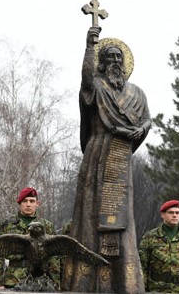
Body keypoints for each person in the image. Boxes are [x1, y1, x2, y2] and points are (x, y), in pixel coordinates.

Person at [61, 26, 151, 294]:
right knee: (91, 215)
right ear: (102, 62)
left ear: (125, 64)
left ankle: (124, 281)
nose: (114, 62)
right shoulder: (96, 86)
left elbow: (147, 118)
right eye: (109, 57)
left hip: (121, 160)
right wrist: (90, 47)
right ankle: (86, 282)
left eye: (118, 58)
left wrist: (141, 129)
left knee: (122, 220)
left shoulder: (137, 93)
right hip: (97, 154)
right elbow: (86, 81)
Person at [0, 187, 60, 290]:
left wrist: (56, 282)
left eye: (32, 201)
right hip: (14, 280)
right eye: (25, 201)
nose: (28, 204)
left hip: (40, 282)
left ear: (37, 204)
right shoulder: (6, 225)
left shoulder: (46, 226)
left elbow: (53, 257)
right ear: (20, 203)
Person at [139, 200, 179, 294]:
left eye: (177, 213)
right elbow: (142, 267)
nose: (175, 215)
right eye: (171, 212)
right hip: (157, 290)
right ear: (163, 215)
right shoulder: (150, 237)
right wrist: (143, 290)